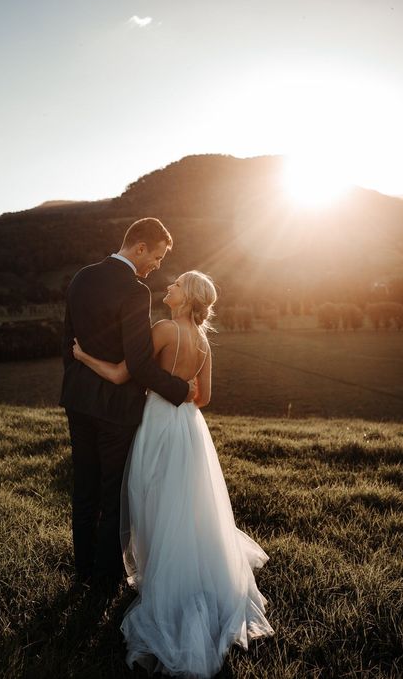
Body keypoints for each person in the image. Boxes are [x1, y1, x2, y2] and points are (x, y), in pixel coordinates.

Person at [73, 270, 274, 677]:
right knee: (186, 501)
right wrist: (181, 403)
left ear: (187, 298)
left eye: (177, 284)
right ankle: (184, 568)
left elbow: (121, 374)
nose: (169, 287)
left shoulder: (164, 328)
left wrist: (82, 357)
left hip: (160, 422)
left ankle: (159, 576)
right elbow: (206, 397)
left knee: (150, 495)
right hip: (189, 427)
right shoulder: (202, 343)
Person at [59, 218, 194, 590]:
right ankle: (105, 581)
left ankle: (83, 571)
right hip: (116, 408)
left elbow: (68, 341)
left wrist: (76, 381)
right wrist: (179, 389)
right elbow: (137, 363)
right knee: (113, 491)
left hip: (78, 397)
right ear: (139, 249)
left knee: (83, 486)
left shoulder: (82, 277)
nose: (158, 265)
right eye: (157, 256)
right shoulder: (135, 291)